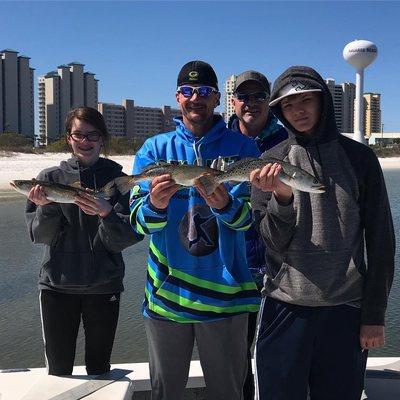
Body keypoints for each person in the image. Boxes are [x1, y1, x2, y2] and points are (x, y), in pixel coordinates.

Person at [250, 66, 395, 400]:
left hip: (345, 309)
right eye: (288, 105)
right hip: (284, 306)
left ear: (323, 102)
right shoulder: (268, 162)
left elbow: (381, 241)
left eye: (306, 100)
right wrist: (282, 199)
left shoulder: (360, 158)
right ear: (279, 112)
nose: (298, 110)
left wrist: (374, 315)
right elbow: (271, 242)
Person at [129, 60, 261, 400]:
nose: (195, 98)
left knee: (228, 393)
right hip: (166, 297)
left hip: (226, 299)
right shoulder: (153, 150)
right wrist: (155, 205)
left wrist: (224, 205)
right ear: (177, 97)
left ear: (217, 98)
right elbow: (139, 223)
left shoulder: (244, 149)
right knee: (165, 393)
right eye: (187, 91)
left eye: (204, 91)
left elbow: (249, 221)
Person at [26, 107, 142, 376]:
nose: (85, 141)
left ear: (102, 138)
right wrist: (46, 206)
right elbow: (40, 237)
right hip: (57, 287)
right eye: (79, 134)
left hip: (104, 286)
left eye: (92, 135)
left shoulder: (119, 180)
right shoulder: (48, 180)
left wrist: (106, 212)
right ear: (69, 138)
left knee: (99, 369)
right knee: (58, 372)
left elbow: (125, 239)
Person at [228, 70, 288, 400]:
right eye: (244, 97)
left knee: (273, 353)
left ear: (269, 101)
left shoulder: (287, 141)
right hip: (228, 267)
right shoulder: (217, 142)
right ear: (233, 102)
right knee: (234, 355)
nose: (251, 103)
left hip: (275, 266)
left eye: (258, 96)